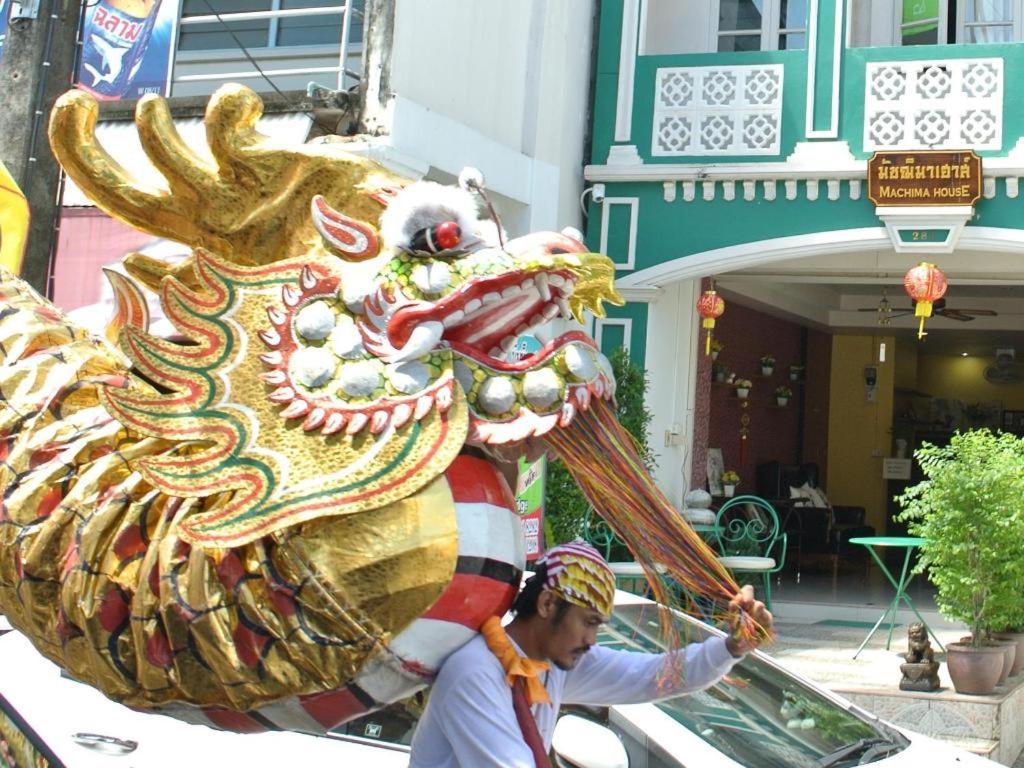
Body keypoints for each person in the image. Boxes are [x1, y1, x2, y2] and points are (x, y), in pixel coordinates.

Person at [408, 540, 774, 768]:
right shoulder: (474, 672)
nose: (593, 639)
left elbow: (654, 676)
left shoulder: (555, 664)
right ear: (548, 604)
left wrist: (731, 646)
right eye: (589, 622)